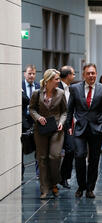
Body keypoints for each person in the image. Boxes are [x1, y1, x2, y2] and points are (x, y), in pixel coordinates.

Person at [66, 63, 102, 199]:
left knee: (94, 160)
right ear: (84, 75)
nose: (91, 75)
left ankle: (90, 188)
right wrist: (69, 125)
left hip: (97, 129)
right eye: (88, 73)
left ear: (96, 74)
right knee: (79, 156)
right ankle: (81, 186)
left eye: (93, 73)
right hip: (79, 129)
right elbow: (70, 109)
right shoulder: (75, 88)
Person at [29, 69, 67, 199]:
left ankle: (54, 182)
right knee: (42, 158)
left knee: (55, 156)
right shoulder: (36, 93)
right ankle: (44, 189)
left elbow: (64, 112)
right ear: (49, 80)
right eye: (56, 79)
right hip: (41, 130)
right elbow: (32, 108)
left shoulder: (61, 93)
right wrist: (38, 117)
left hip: (57, 129)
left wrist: (62, 122)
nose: (58, 81)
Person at [58, 66, 76, 189]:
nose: (74, 76)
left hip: (68, 125)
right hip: (57, 125)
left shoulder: (72, 89)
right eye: (73, 74)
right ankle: (53, 179)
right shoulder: (57, 87)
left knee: (70, 150)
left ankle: (64, 177)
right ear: (68, 75)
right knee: (54, 154)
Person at [22, 64, 40, 178]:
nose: (31, 76)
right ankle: (20, 173)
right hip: (23, 121)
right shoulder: (19, 86)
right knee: (22, 147)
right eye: (29, 73)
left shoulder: (39, 86)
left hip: (35, 120)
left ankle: (38, 173)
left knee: (39, 147)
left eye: (33, 73)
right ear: (25, 74)